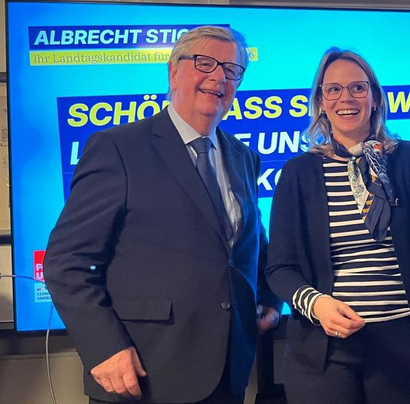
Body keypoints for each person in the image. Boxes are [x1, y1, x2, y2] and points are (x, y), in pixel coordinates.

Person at [43, 26, 281, 404]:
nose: (219, 77)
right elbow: (65, 262)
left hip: (228, 372)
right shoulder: (118, 148)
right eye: (205, 63)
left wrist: (270, 298)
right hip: (143, 373)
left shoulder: (244, 156)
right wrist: (104, 348)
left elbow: (250, 246)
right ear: (173, 71)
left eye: (231, 69)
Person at [266, 48, 410, 404]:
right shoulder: (298, 173)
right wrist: (317, 305)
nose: (346, 98)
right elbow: (279, 267)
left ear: (375, 97)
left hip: (403, 347)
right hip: (323, 352)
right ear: (320, 101)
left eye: (357, 87)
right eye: (333, 89)